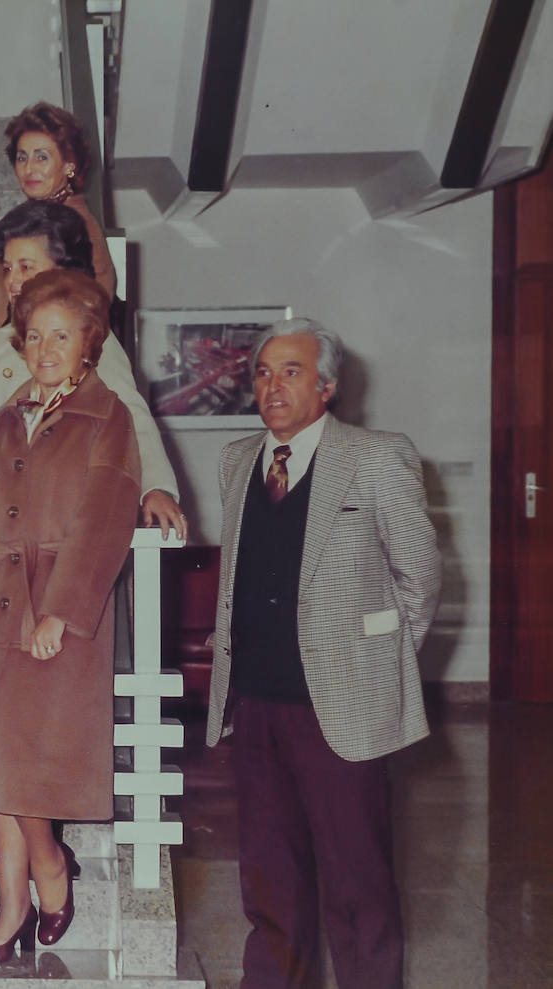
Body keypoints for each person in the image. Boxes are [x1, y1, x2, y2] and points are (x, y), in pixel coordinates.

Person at [206, 318, 440, 989]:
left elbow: (420, 579)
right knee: (269, 881)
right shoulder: (237, 461)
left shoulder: (376, 457)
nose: (272, 386)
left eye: (292, 371)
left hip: (342, 709)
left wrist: (375, 665)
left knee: (356, 882)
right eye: (263, 372)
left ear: (328, 386)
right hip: (255, 705)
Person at [0, 270, 141, 966]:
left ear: (89, 343)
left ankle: (50, 864)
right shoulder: (8, 415)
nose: (46, 349)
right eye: (34, 336)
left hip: (57, 607)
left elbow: (105, 519)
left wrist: (60, 610)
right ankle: (12, 906)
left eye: (62, 336)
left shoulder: (107, 417)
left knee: (23, 763)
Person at [0, 103, 184, 536]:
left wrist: (156, 487)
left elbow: (130, 410)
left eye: (41, 156)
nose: (13, 280)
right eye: (22, 157)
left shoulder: (80, 303)